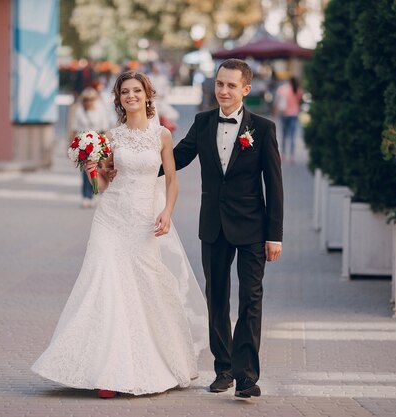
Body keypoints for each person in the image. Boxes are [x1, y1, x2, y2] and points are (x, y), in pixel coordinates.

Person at [107, 59, 283, 398]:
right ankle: (224, 369)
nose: (224, 91)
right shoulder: (202, 123)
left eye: (231, 85)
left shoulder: (263, 128)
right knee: (216, 298)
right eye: (220, 84)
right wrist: (126, 168)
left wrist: (275, 235)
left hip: (252, 228)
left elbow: (274, 185)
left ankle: (247, 377)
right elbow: (178, 158)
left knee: (251, 299)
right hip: (213, 226)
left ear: (246, 89)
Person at [31, 71, 208, 398]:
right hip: (111, 218)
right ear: (119, 98)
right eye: (125, 91)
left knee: (141, 286)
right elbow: (102, 186)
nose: (131, 96)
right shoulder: (110, 137)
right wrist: (92, 172)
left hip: (144, 220)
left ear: (147, 95)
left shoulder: (163, 137)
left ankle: (146, 364)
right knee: (102, 281)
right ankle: (106, 373)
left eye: (136, 90)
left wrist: (167, 212)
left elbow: (171, 180)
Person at [70, 87, 112, 208]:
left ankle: (96, 193)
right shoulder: (79, 111)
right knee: (86, 171)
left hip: (97, 142)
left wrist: (105, 146)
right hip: (83, 144)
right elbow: (74, 128)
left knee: (99, 169)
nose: (89, 102)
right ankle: (86, 196)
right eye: (86, 99)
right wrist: (72, 146)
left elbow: (105, 128)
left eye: (91, 99)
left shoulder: (100, 110)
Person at [274, 76, 303, 163]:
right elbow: (300, 101)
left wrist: (274, 112)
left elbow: (277, 101)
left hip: (284, 114)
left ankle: (283, 154)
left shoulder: (282, 89)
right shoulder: (298, 90)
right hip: (294, 114)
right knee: (292, 136)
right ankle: (292, 156)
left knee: (284, 135)